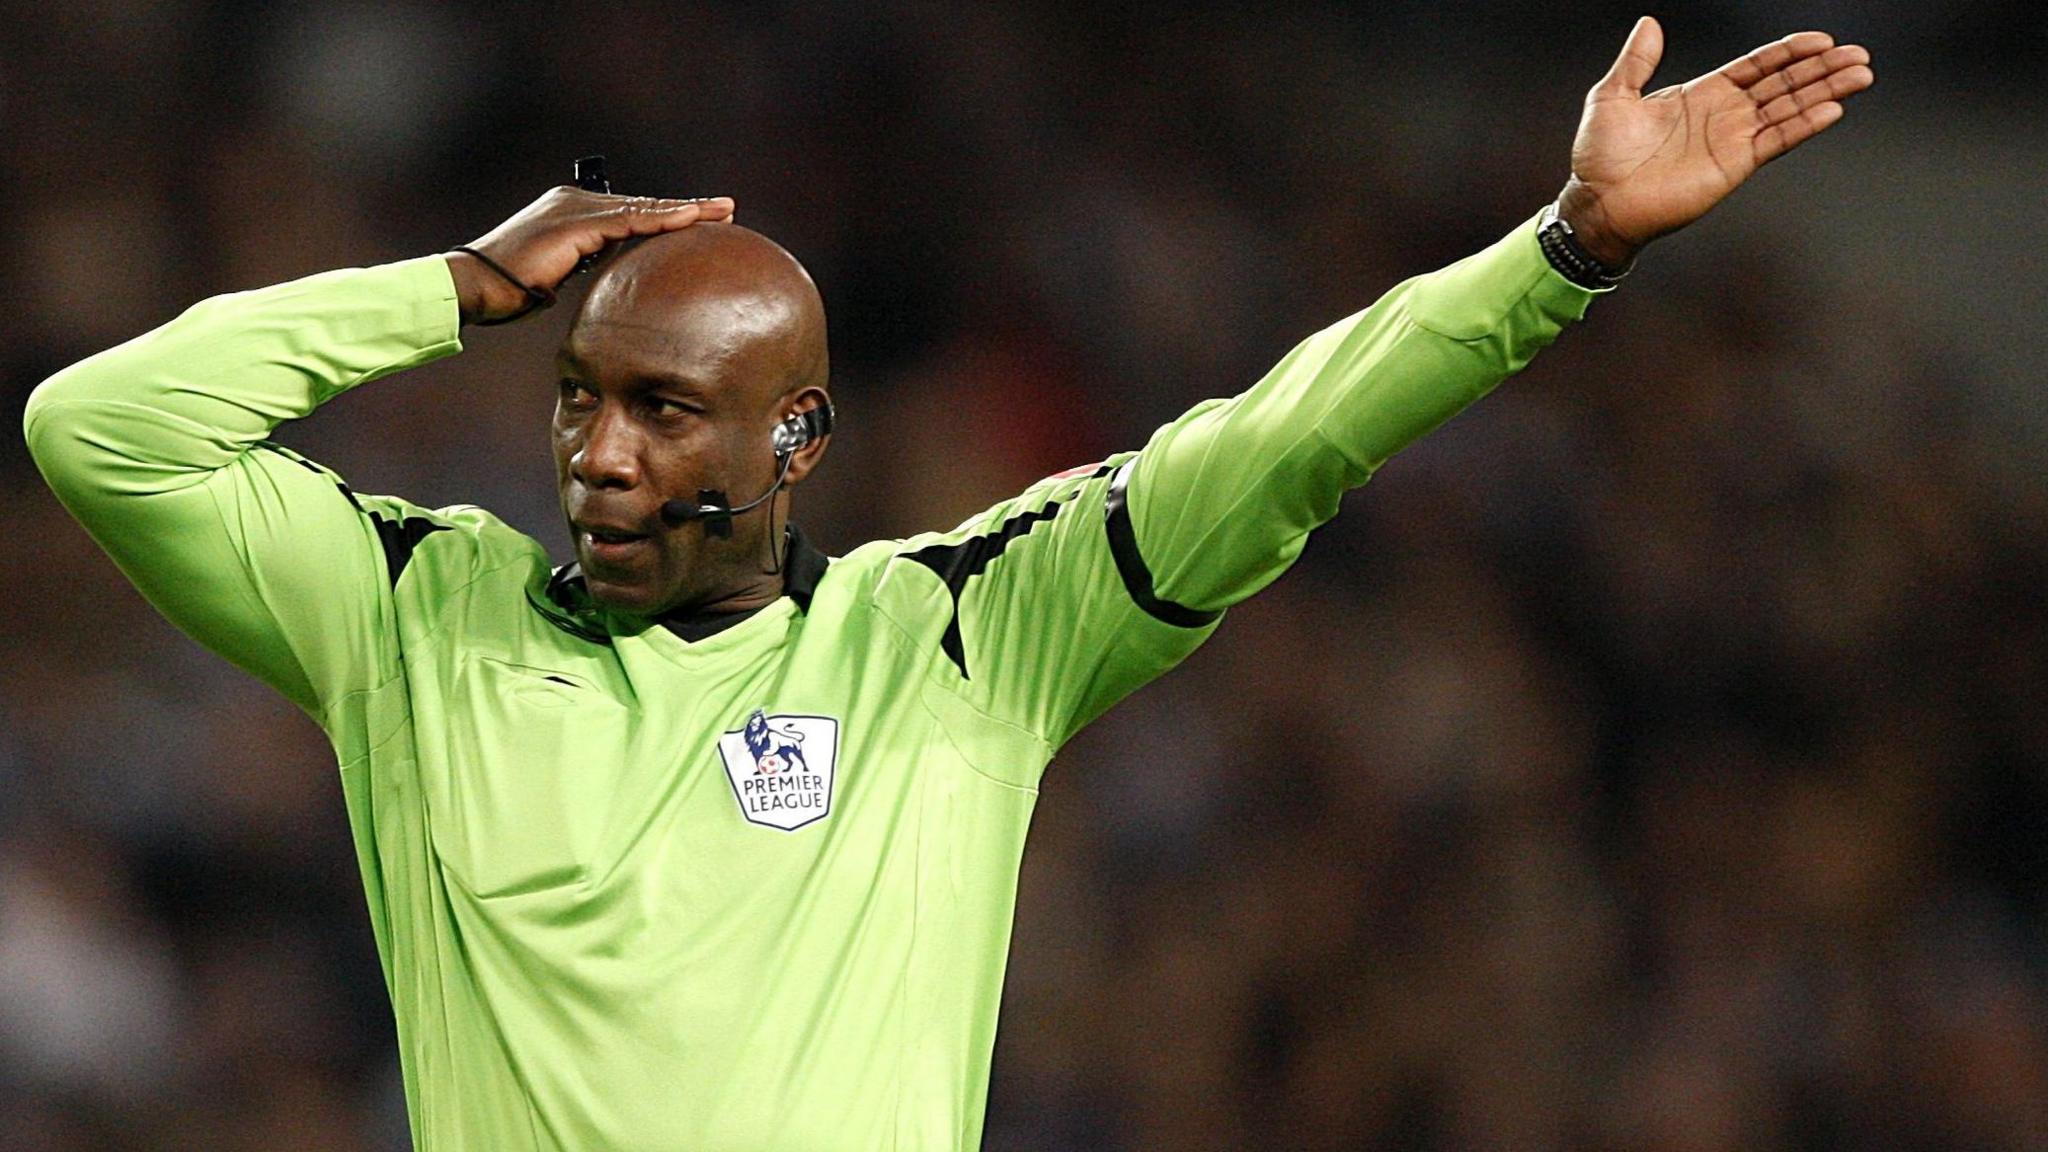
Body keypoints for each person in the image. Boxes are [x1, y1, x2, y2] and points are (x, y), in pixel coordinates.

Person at [23, 18, 1872, 1152]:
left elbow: (1289, 434)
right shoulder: (415, 618)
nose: (596, 453)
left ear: (797, 440)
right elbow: (100, 427)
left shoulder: (960, 635)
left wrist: (1563, 252)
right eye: (577, 401)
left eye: (665, 414)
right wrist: (452, 288)